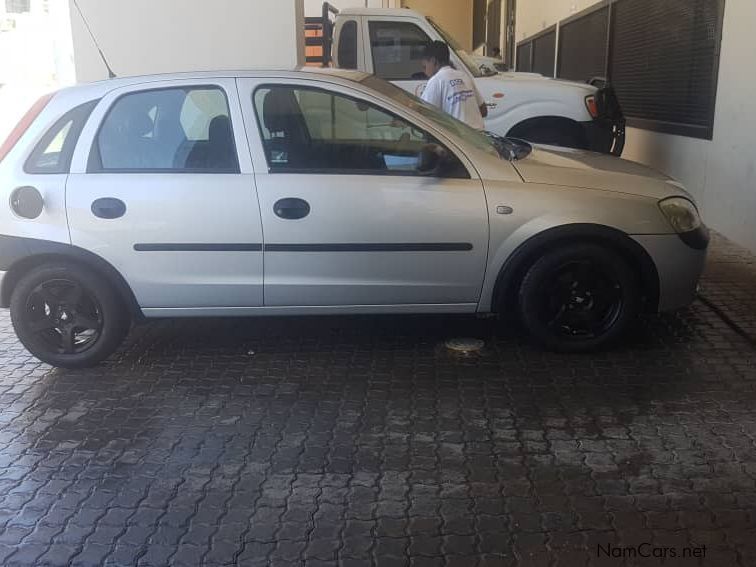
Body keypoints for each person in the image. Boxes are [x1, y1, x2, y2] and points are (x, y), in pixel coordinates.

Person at [420, 41, 487, 130]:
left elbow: (424, 117)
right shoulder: (464, 76)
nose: (424, 72)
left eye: (424, 67)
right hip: (479, 137)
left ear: (433, 61)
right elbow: (483, 110)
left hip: (459, 139)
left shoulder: (436, 81)